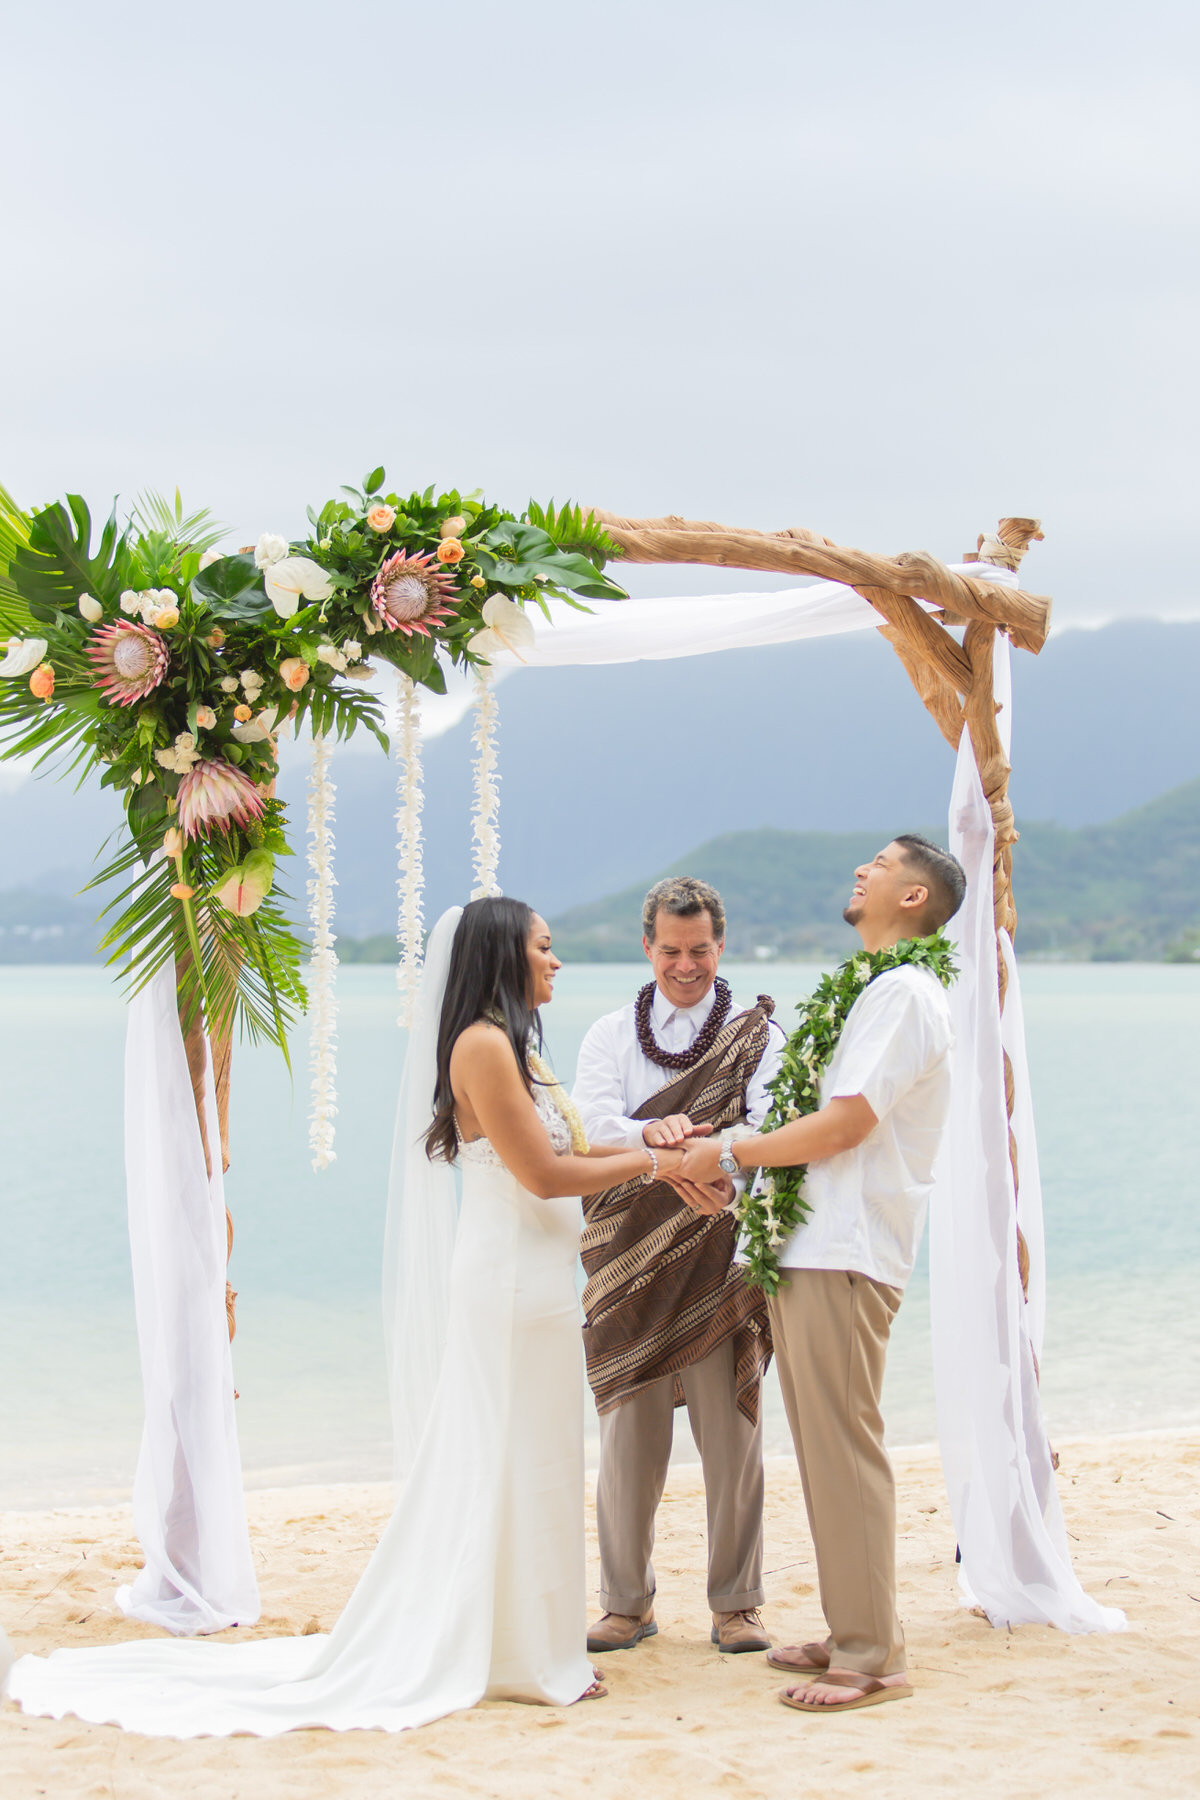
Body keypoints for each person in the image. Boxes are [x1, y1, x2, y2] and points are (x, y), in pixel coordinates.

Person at [5, 898, 683, 1737]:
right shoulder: (480, 1044)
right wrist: (655, 1166)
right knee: (508, 1457)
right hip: (509, 1282)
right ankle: (524, 1655)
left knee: (534, 1460)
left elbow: (576, 1153)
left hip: (540, 1283)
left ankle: (529, 1646)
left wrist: (666, 1156)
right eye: (544, 948)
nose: (555, 961)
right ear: (504, 955)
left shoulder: (518, 1051)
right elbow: (542, 1175)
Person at [678, 837, 966, 1714]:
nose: (861, 870)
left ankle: (875, 1657)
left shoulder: (906, 993)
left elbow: (843, 1124)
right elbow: (817, 1118)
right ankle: (853, 1628)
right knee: (824, 1450)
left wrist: (725, 1147)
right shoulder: (874, 989)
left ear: (914, 896)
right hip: (811, 1241)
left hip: (846, 1249)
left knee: (845, 1449)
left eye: (879, 864)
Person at [572, 876, 784, 1656]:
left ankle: (738, 1604)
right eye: (670, 950)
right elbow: (590, 1124)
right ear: (647, 947)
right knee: (626, 1441)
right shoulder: (608, 1036)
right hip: (628, 1266)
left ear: (720, 946)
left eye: (699, 950)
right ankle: (626, 1604)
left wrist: (710, 1156)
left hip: (719, 1261)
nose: (685, 966)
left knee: (733, 1439)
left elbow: (768, 1125)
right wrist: (657, 1135)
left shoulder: (758, 1035)